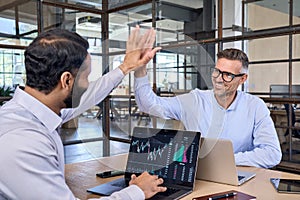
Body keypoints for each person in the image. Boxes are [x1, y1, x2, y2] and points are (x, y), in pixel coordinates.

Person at [0, 27, 166, 199]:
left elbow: (89, 96)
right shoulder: (22, 141)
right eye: (86, 77)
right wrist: (137, 191)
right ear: (66, 80)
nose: (87, 85)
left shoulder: (30, 113)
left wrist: (125, 67)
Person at [134, 48, 282, 169]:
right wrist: (140, 71)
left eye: (227, 75)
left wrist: (225, 160)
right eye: (217, 71)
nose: (218, 79)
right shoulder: (195, 100)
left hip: (240, 176)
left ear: (242, 79)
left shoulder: (255, 106)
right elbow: (149, 105)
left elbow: (272, 154)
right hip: (200, 177)